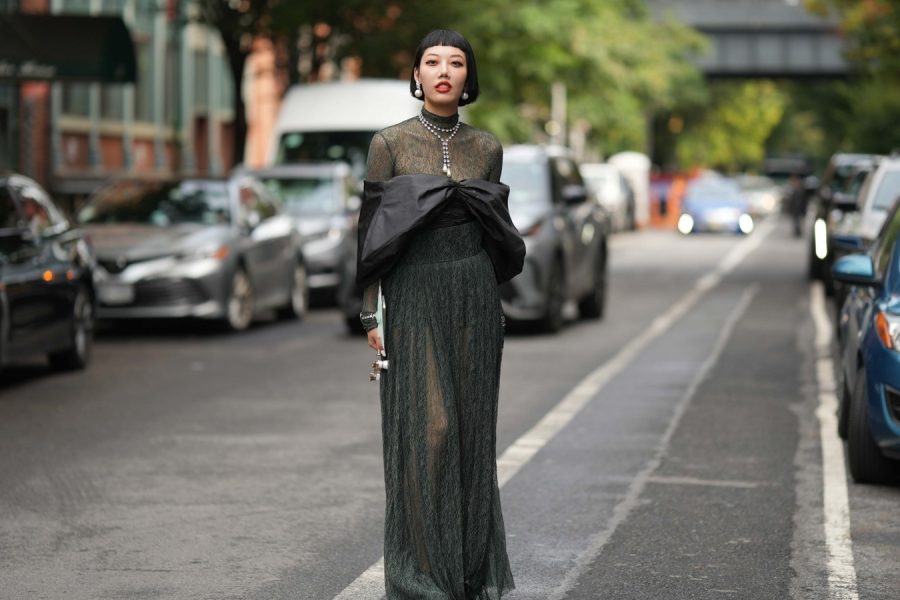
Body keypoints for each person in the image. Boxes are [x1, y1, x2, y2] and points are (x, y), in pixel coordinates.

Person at [356, 29, 523, 600]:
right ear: (418, 75)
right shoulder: (389, 143)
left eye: (456, 62)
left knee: (474, 435)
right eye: (432, 62)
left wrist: (495, 298)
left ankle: (473, 575)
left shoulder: (488, 146)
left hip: (474, 291)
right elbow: (371, 235)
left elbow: (497, 230)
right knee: (431, 430)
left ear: (468, 77)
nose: (444, 70)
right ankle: (419, 576)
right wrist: (368, 314)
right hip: (415, 292)